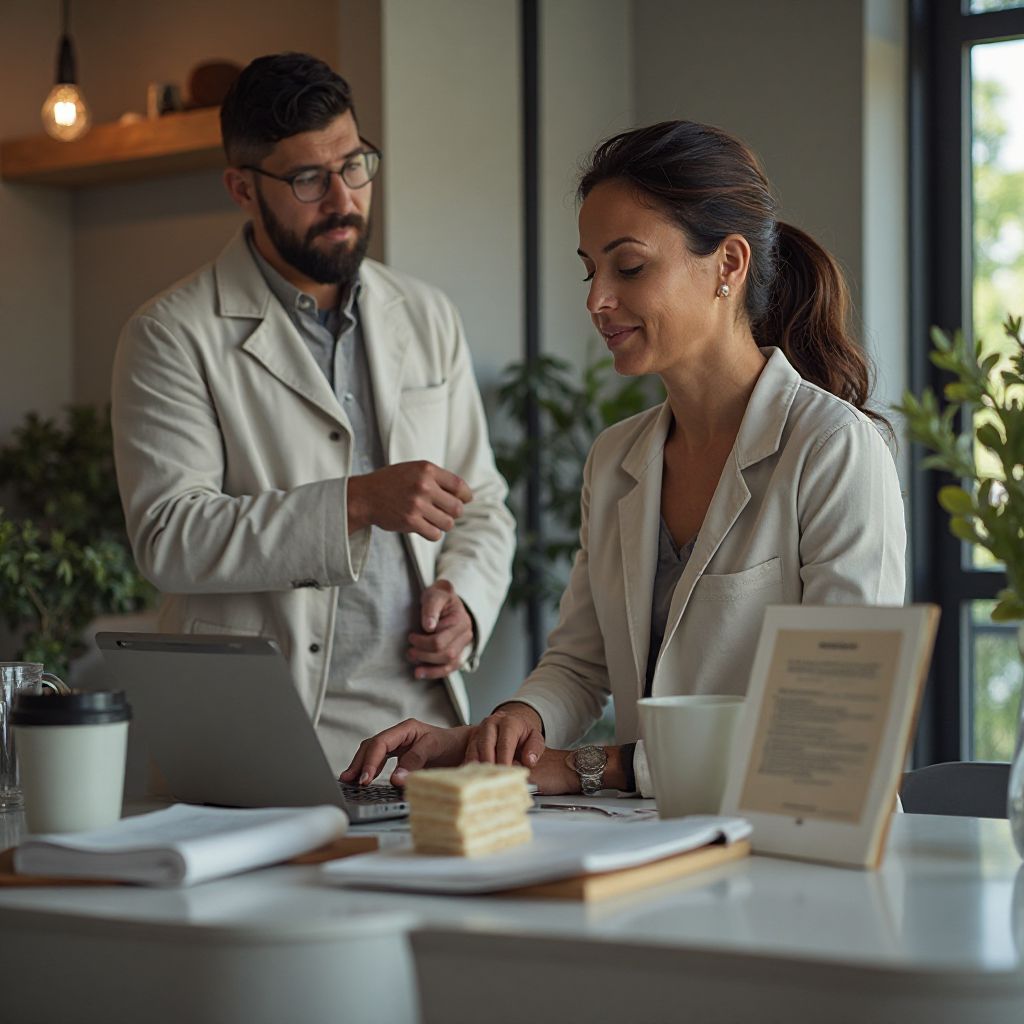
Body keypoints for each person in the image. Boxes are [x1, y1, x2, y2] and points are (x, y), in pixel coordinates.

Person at [342, 119, 906, 794]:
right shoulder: (616, 458)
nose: (596, 300)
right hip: (661, 848)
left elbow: (830, 728)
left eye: (629, 267)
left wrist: (591, 768)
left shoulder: (834, 449)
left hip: (806, 853)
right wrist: (512, 727)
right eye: (590, 270)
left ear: (728, 264)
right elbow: (580, 664)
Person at [111, 53, 515, 772]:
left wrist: (468, 603)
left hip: (423, 736)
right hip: (263, 735)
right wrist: (357, 501)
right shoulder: (170, 333)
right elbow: (169, 536)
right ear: (242, 187)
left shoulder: (426, 315)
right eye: (307, 178)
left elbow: (480, 502)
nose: (343, 198)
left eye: (354, 163)